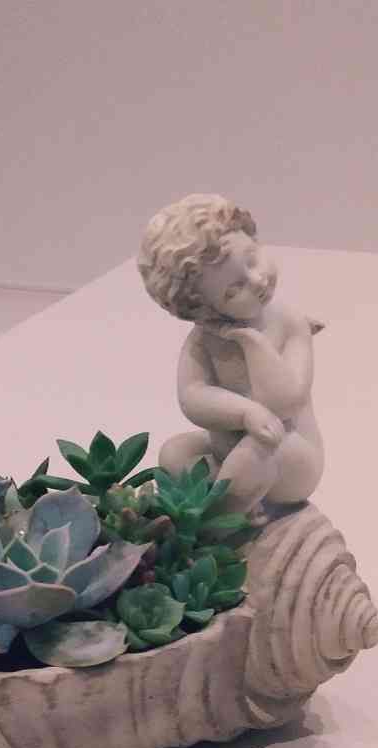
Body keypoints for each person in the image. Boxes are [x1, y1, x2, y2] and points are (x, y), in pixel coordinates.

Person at [138, 193, 324, 515]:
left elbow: (285, 402)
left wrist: (253, 342)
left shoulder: (289, 322)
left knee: (259, 445)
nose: (257, 280)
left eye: (252, 260)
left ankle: (224, 515)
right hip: (226, 452)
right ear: (204, 308)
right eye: (233, 290)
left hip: (290, 455)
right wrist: (243, 413)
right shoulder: (204, 338)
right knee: (174, 452)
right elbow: (192, 396)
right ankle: (233, 493)